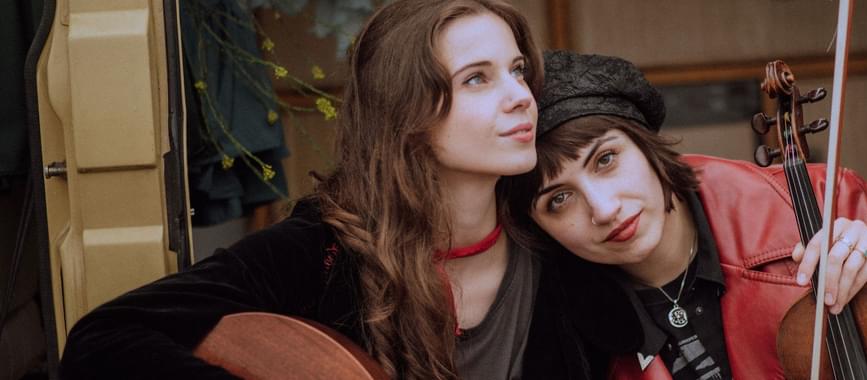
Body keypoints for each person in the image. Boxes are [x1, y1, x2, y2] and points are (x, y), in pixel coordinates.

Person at [60, 2, 603, 379]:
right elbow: (103, 339)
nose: (520, 97)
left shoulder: (555, 237)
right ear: (405, 112)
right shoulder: (321, 248)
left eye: (517, 70)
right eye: (477, 79)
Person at [502, 51, 867, 379]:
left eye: (606, 159)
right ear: (538, 226)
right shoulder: (557, 326)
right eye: (558, 199)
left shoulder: (825, 202)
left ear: (645, 143)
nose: (604, 209)